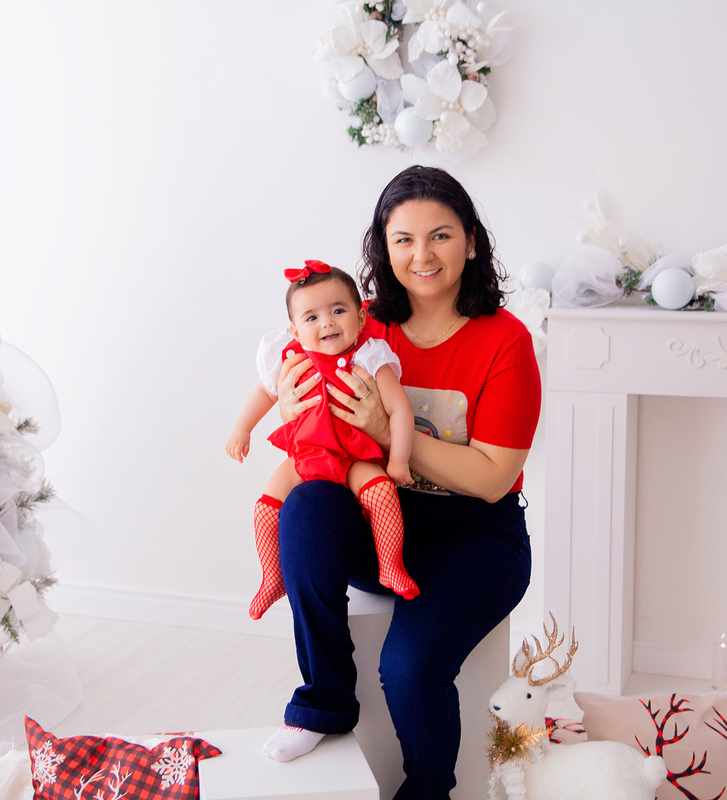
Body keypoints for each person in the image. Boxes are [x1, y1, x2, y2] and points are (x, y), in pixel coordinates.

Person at [260, 166, 542, 800]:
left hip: (478, 537)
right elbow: (308, 414)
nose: (422, 255)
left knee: (408, 668)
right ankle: (324, 701)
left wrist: (389, 435)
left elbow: (493, 478)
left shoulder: (506, 341)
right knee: (306, 505)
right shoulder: (357, 326)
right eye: (404, 240)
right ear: (383, 250)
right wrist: (289, 404)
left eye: (440, 235)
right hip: (381, 520)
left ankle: (428, 791)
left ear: (471, 241)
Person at [226, 261, 419, 621]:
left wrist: (399, 459)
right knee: (267, 508)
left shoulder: (370, 356)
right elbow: (265, 393)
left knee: (381, 494)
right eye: (311, 317)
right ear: (295, 330)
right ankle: (272, 577)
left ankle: (390, 566)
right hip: (306, 455)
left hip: (355, 455)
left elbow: (400, 411)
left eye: (338, 311)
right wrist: (242, 428)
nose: (327, 322)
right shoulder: (290, 359)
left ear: (360, 318)